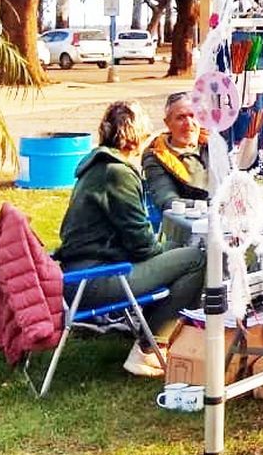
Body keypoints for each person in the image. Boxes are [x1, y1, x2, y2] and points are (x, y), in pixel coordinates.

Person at [52, 100, 206, 376]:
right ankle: (149, 348)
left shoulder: (98, 166)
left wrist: (167, 248)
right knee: (197, 259)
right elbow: (143, 245)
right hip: (96, 279)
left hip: (82, 272)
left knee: (179, 253)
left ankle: (156, 331)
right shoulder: (117, 173)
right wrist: (168, 247)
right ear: (135, 136)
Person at [140, 91, 210, 214]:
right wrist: (212, 204)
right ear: (167, 123)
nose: (188, 123)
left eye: (192, 116)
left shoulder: (214, 145)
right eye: (180, 117)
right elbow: (168, 202)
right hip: (187, 225)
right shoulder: (156, 156)